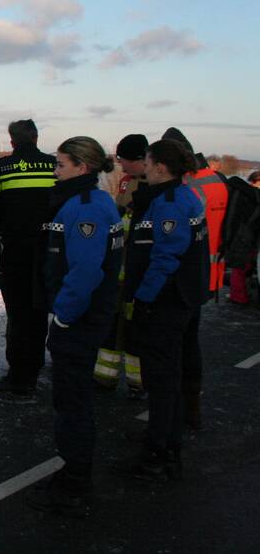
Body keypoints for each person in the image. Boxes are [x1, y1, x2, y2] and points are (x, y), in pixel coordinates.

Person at [25, 137, 122, 514]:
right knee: (72, 397)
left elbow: (85, 272)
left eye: (60, 164)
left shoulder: (86, 208)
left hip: (79, 320)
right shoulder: (90, 201)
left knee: (72, 400)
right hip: (83, 317)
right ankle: (73, 471)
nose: (55, 171)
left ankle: (75, 481)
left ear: (82, 167)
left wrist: (64, 315)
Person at [120, 139, 208, 480]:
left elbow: (166, 257)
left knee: (162, 380)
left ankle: (158, 453)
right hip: (180, 299)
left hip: (166, 302)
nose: (144, 167)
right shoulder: (181, 196)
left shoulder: (170, 203)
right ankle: (165, 442)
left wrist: (144, 298)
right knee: (167, 378)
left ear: (159, 167)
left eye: (147, 162)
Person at [161, 127, 227, 430]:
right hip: (209, 276)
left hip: (183, 279)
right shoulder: (218, 181)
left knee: (174, 351)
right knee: (190, 346)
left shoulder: (186, 189)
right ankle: (191, 408)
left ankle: (171, 418)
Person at [0, 119, 56, 397]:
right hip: (48, 250)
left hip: (14, 251)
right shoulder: (53, 166)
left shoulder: (1, 169)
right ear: (36, 138)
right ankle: (35, 367)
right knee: (39, 311)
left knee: (17, 315)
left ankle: (18, 375)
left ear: (12, 141)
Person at [94, 134, 149, 397]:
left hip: (138, 275)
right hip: (119, 272)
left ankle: (140, 381)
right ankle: (106, 376)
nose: (120, 164)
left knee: (136, 329)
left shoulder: (153, 187)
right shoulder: (128, 181)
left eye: (123, 159)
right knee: (112, 326)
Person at [228, 171, 260, 305]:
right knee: (241, 268)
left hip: (245, 236)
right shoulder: (251, 195)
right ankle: (239, 296)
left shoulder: (244, 194)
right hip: (247, 237)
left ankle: (239, 296)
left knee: (240, 268)